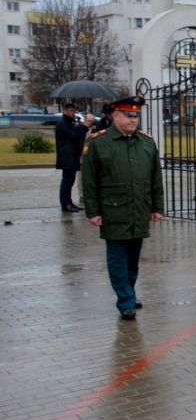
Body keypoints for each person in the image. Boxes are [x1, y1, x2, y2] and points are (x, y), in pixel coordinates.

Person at [81, 96, 164, 320]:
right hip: (113, 209)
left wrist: (157, 207)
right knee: (117, 257)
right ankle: (125, 299)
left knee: (133, 257)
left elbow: (156, 178)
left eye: (136, 116)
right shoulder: (98, 142)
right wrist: (93, 211)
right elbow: (89, 180)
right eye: (128, 115)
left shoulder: (146, 142)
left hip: (139, 208)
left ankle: (129, 291)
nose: (133, 120)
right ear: (115, 115)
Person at [55, 102, 90, 212]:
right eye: (71, 111)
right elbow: (74, 135)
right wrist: (85, 127)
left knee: (70, 180)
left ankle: (69, 202)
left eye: (74, 111)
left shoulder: (69, 122)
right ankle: (65, 204)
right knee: (67, 181)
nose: (73, 113)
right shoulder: (63, 123)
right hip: (67, 156)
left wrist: (80, 126)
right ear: (65, 111)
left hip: (71, 155)